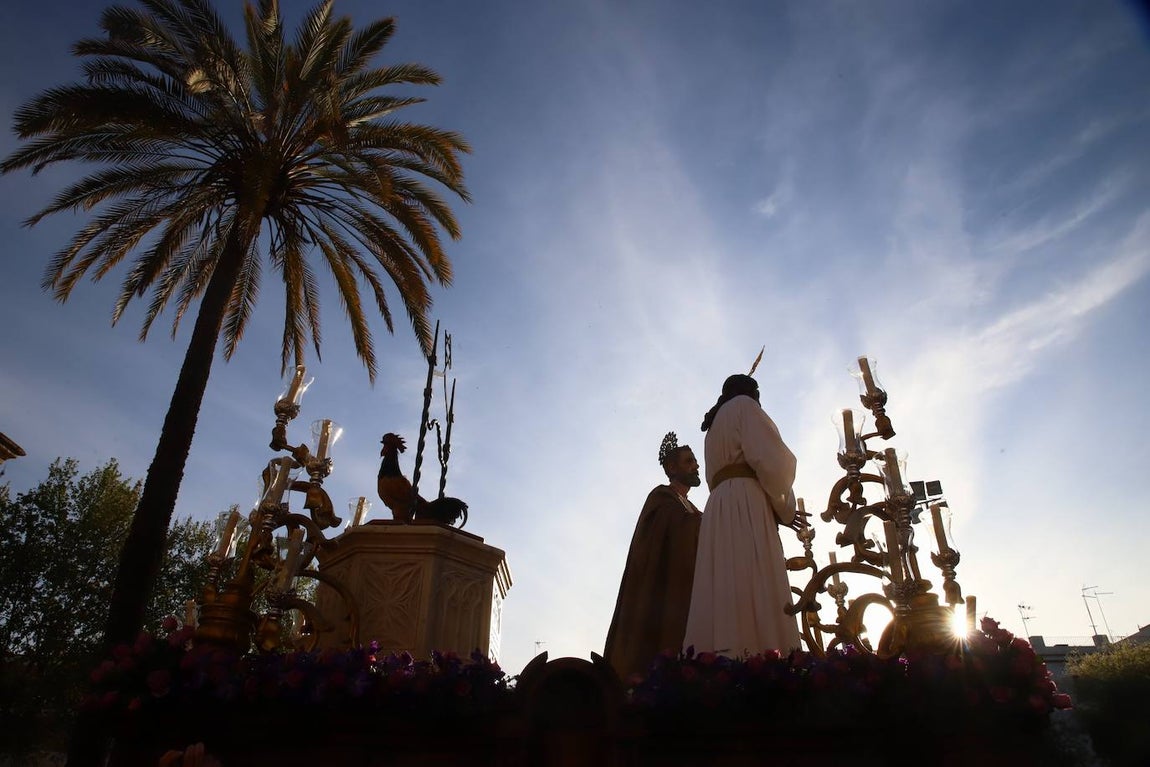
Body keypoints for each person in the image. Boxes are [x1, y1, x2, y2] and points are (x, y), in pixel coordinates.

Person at [683, 374, 804, 657]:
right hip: (745, 501)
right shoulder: (745, 407)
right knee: (753, 572)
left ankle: (720, 660)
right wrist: (786, 508)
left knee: (722, 579)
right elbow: (771, 461)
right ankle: (765, 659)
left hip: (718, 507)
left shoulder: (712, 428)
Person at [604, 432, 703, 679]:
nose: (696, 465)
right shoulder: (661, 498)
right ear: (672, 467)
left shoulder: (691, 508)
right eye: (689, 461)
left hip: (686, 588)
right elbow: (657, 540)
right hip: (662, 589)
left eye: (695, 461)